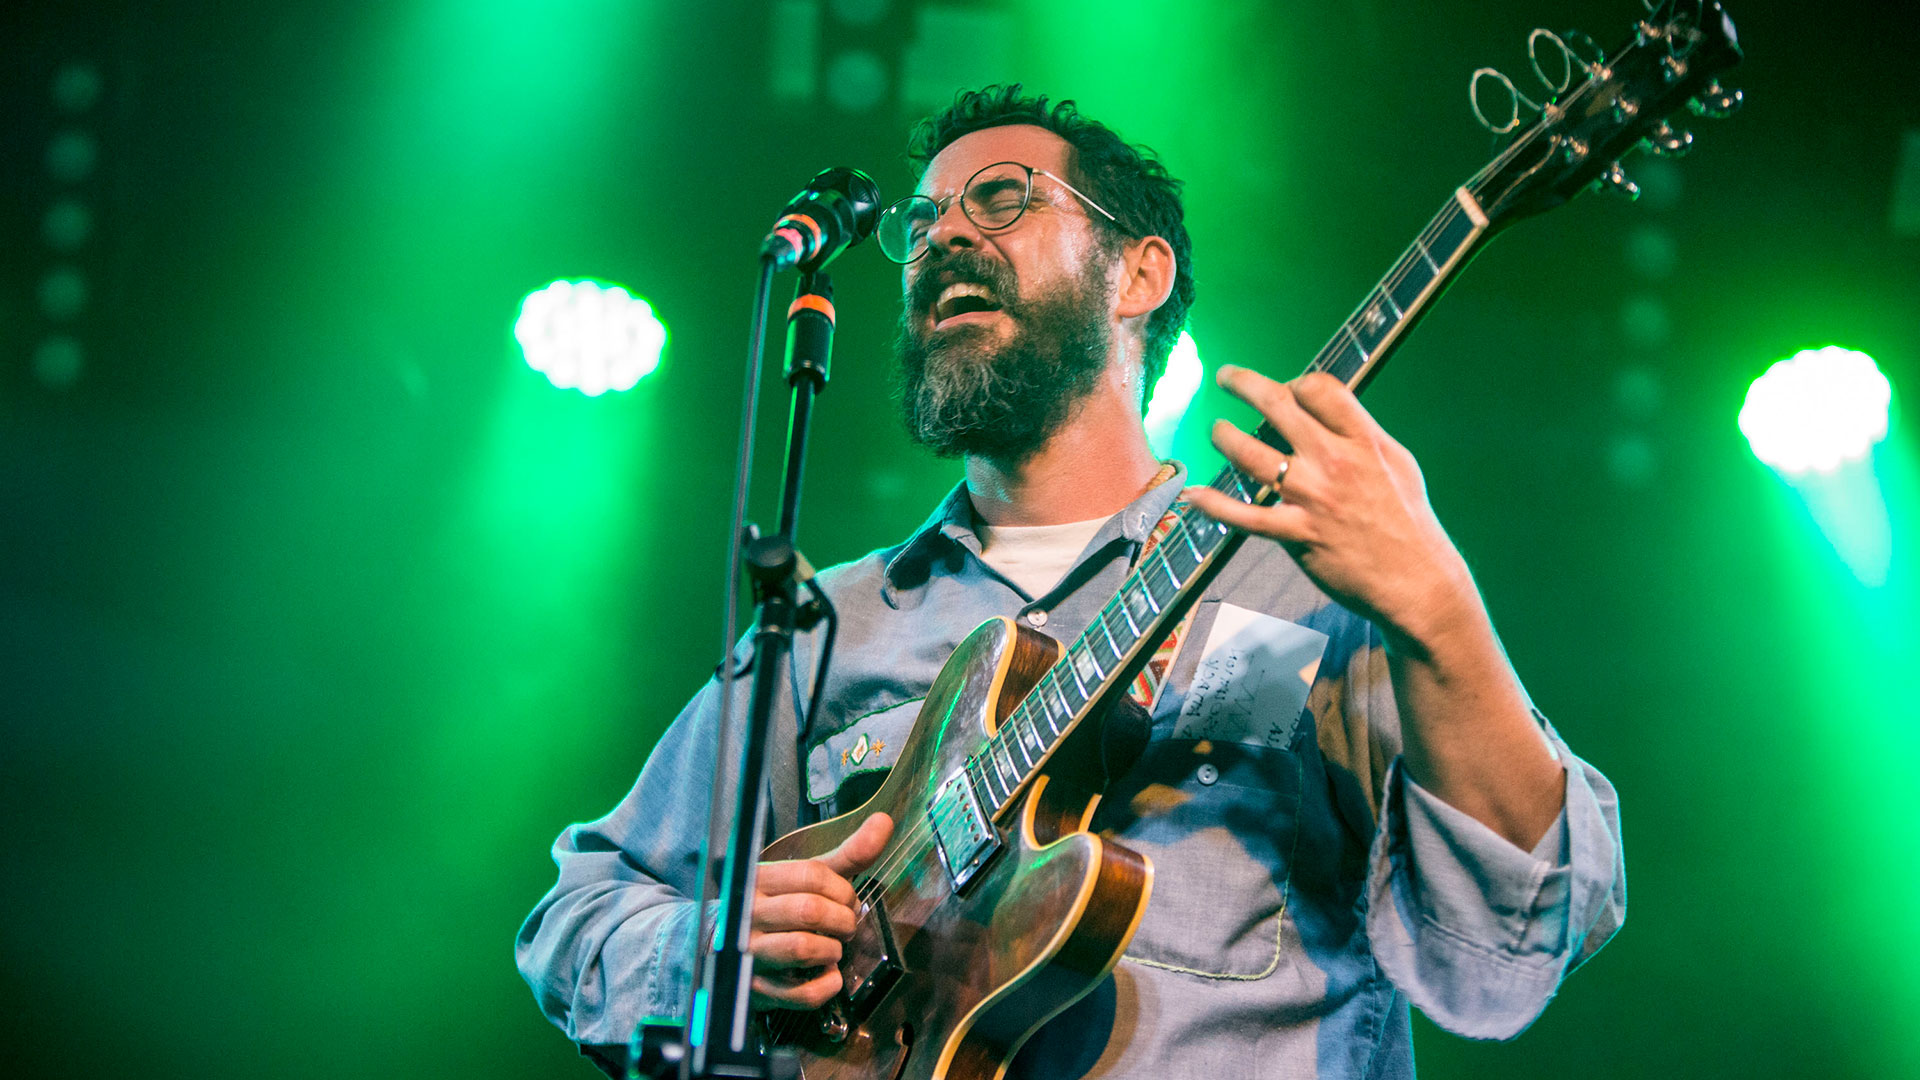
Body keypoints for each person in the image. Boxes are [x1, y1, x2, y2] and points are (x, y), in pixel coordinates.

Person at [516, 85, 1625, 1079]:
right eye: (925, 221)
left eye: (1001, 198)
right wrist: (715, 952)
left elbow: (1509, 958)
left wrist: (1440, 608)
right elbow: (575, 912)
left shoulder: (1301, 590)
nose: (945, 233)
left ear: (1139, 271)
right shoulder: (828, 633)